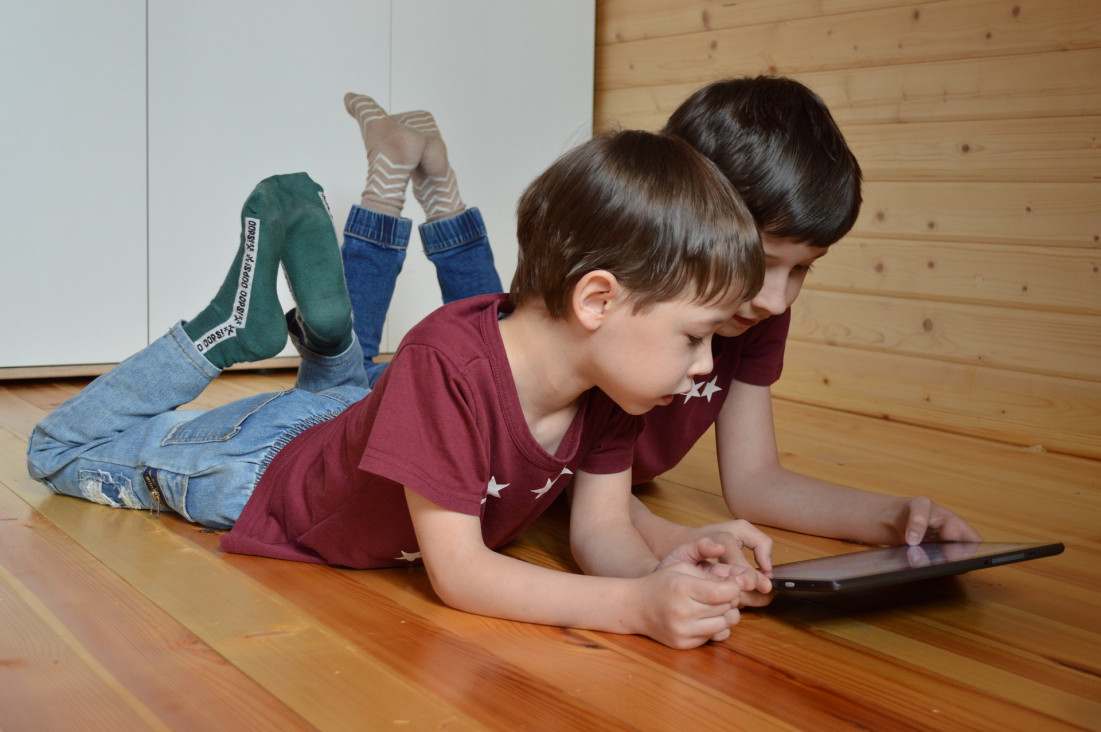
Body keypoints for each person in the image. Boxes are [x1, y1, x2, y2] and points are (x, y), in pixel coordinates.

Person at [26, 130, 773, 650]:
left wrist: (667, 574)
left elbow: (600, 532)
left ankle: (328, 342)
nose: (708, 364)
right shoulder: (447, 361)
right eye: (693, 336)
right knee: (55, 451)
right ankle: (218, 333)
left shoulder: (613, 385)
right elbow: (461, 573)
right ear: (598, 303)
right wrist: (635, 609)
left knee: (344, 399)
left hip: (356, 423)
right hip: (257, 469)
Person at [339, 79, 982, 595]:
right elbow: (542, 487)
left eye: (802, 269)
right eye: (761, 261)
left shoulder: (746, 316)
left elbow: (746, 482)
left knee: (471, 302)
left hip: (542, 454)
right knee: (353, 363)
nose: (773, 298)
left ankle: (436, 183)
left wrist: (893, 519)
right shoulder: (598, 331)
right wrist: (662, 549)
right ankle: (395, 180)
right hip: (440, 417)